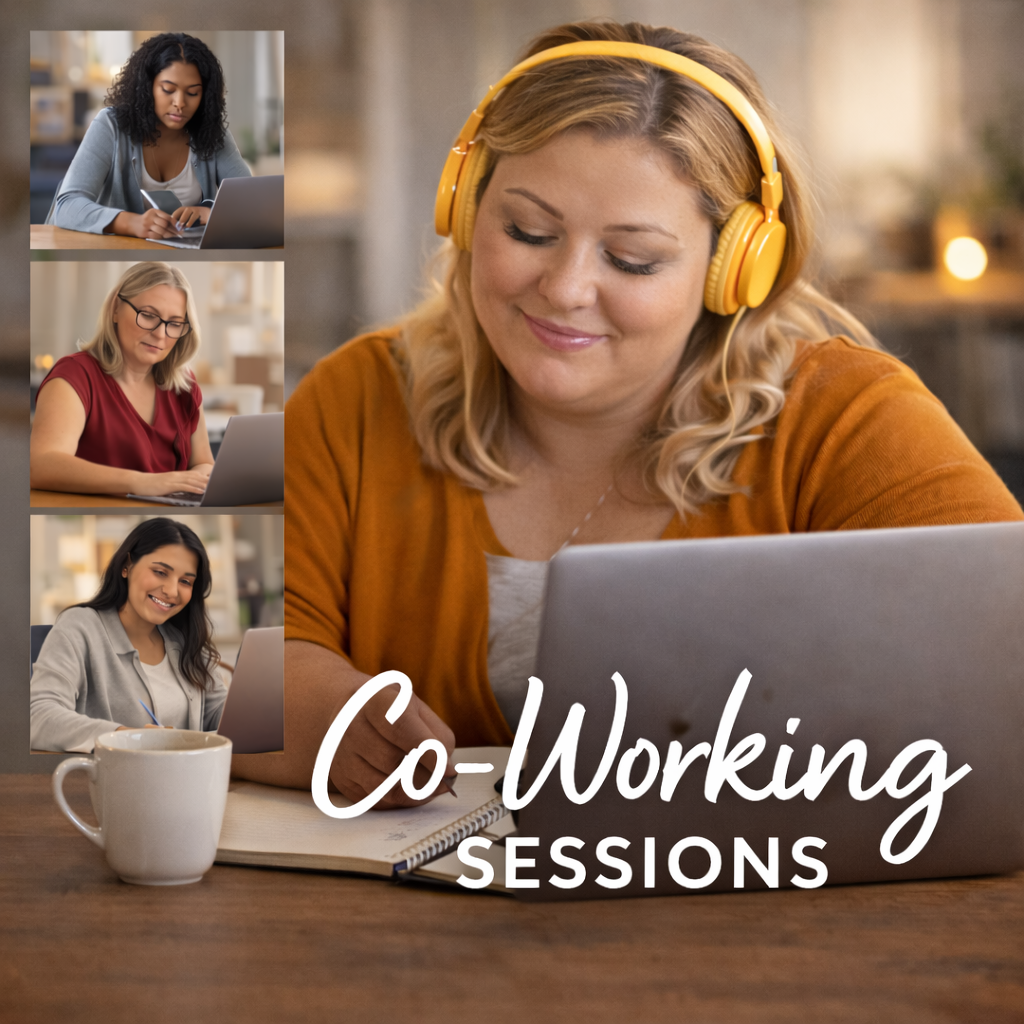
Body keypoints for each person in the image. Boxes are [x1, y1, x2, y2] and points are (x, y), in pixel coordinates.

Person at [233, 21, 1024, 804]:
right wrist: (318, 713)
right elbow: (190, 664)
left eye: (632, 259)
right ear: (466, 208)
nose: (568, 287)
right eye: (529, 230)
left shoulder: (843, 419)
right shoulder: (355, 403)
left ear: (732, 272)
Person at [31, 518, 228, 753]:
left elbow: (220, 716)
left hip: (188, 781)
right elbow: (38, 716)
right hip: (111, 782)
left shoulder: (187, 639)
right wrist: (128, 738)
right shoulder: (80, 626)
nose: (172, 591)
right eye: (160, 572)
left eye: (185, 581)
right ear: (127, 565)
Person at [31, 262, 215, 498]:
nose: (160, 333)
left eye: (175, 324)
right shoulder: (75, 376)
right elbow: (41, 466)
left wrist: (196, 478)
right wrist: (143, 483)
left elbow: (204, 464)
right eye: (148, 316)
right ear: (116, 308)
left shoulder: (185, 385)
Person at [46, 32, 250, 239]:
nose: (180, 103)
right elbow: (68, 206)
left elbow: (252, 203)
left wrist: (211, 212)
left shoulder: (212, 133)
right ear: (147, 86)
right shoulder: (110, 126)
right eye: (168, 89)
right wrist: (131, 223)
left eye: (192, 93)